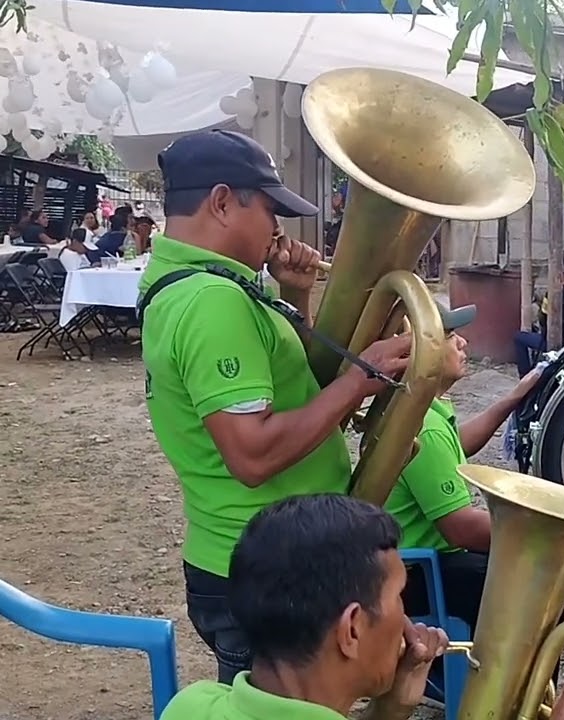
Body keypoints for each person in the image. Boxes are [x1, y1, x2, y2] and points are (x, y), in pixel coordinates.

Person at [139, 128, 413, 685]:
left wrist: (296, 297)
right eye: (268, 209)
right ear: (221, 203)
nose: (278, 228)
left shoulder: (202, 284)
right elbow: (253, 455)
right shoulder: (212, 302)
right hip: (266, 565)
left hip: (262, 552)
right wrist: (360, 380)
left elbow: (291, 389)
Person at [160, 494, 564, 720]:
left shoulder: (192, 705)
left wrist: (389, 709)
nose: (408, 619)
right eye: (398, 598)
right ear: (351, 629)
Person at [387, 306, 542, 631]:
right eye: (450, 336)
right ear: (418, 353)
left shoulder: (419, 410)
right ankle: (521, 679)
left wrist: (510, 400)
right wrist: (541, 529)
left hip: (418, 564)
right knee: (534, 578)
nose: (463, 343)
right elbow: (460, 528)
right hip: (418, 574)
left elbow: (457, 445)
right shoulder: (424, 428)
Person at [515, 248, 564, 375]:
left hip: (552, 342)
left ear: (563, 269)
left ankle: (525, 376)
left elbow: (542, 319)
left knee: (519, 337)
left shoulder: (553, 293)